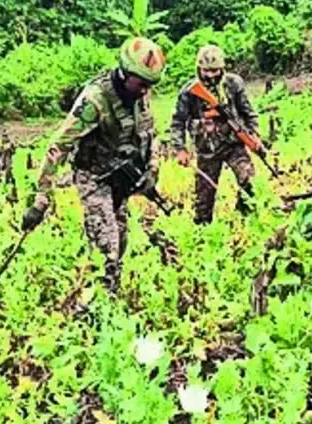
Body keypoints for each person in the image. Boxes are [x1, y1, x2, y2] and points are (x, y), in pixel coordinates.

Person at [22, 37, 166, 293]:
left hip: (121, 177)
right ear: (125, 73)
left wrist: (152, 169)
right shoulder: (95, 100)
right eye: (142, 83)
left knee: (120, 239)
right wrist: (41, 198)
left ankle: (111, 298)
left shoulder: (141, 95)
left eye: (150, 85)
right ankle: (92, 308)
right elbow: (58, 146)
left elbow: (151, 134)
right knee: (106, 248)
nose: (146, 90)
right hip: (94, 178)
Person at [170, 45, 260, 224]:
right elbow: (177, 122)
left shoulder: (233, 84)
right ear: (198, 68)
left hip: (233, 145)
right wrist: (180, 149)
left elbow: (248, 112)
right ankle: (203, 235)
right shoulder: (189, 92)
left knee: (250, 181)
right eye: (206, 70)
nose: (210, 75)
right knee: (204, 201)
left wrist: (254, 134)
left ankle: (243, 220)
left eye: (214, 70)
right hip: (206, 151)